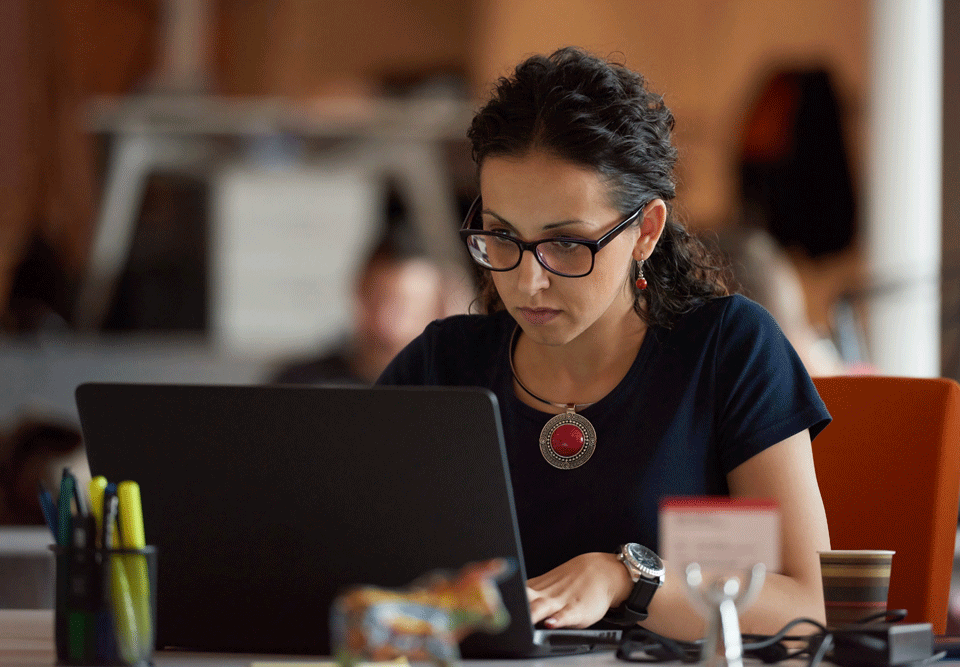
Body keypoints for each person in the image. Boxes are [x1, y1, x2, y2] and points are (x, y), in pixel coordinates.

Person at [377, 47, 831, 641]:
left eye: (567, 244)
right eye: (502, 236)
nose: (527, 281)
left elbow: (806, 607)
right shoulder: (442, 365)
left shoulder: (727, 350)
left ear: (646, 231)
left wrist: (626, 579)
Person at [271, 221, 447, 385]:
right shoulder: (300, 385)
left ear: (439, 308)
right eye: (376, 300)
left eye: (406, 309)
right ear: (357, 291)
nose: (386, 324)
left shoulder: (451, 390)